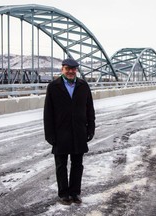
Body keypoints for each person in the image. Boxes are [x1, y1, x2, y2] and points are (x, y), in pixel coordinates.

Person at [43, 58, 95, 205]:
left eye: (73, 69)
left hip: (79, 131)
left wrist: (90, 128)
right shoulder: (53, 86)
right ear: (62, 69)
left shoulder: (83, 86)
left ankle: (75, 192)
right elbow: (48, 113)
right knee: (61, 165)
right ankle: (64, 194)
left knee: (77, 165)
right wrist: (50, 135)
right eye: (68, 69)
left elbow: (89, 109)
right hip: (60, 133)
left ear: (76, 70)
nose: (71, 71)